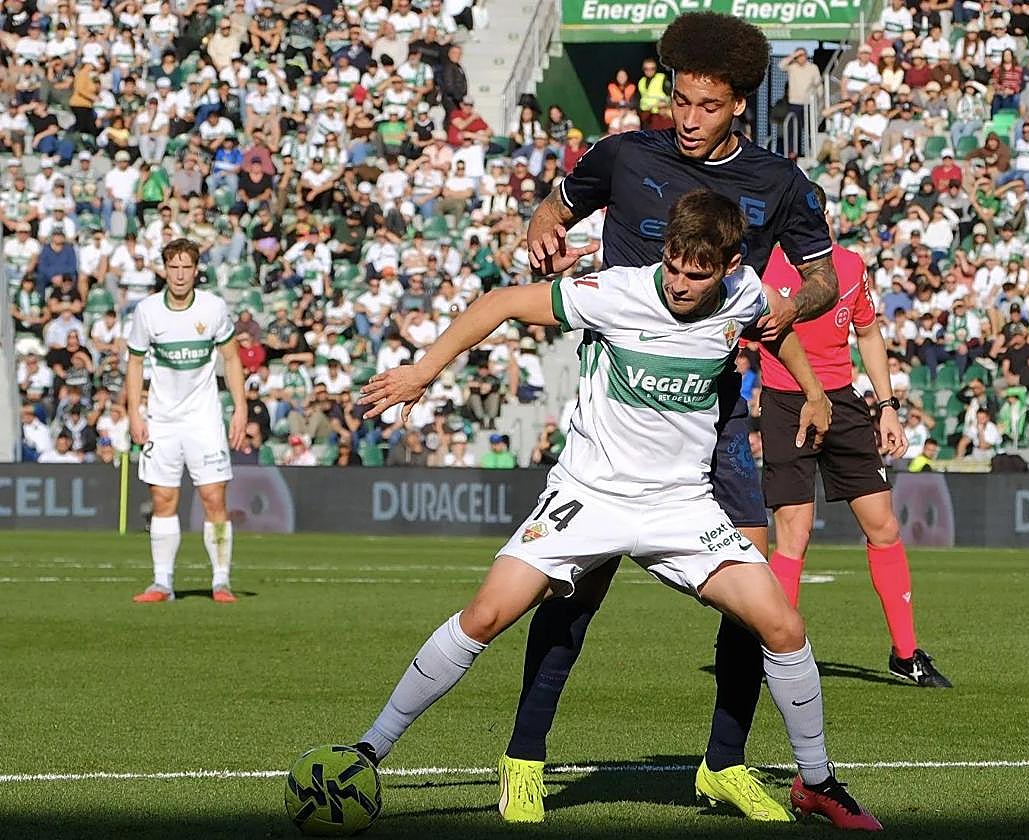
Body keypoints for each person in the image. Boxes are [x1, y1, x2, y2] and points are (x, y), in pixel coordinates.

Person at [354, 189, 874, 828]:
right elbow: (498, 304)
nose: (681, 284)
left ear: (731, 265)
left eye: (698, 273)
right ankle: (366, 751)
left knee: (784, 627)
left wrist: (816, 392)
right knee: (486, 615)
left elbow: (776, 327)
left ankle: (817, 782)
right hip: (588, 496)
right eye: (675, 266)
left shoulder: (743, 295)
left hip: (681, 506)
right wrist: (423, 371)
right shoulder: (613, 291)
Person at [496, 11, 844, 827]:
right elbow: (549, 214)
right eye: (678, 101)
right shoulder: (624, 153)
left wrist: (788, 306)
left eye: (706, 106)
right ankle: (523, 759)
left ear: (740, 106)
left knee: (751, 598)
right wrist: (544, 239)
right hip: (621, 408)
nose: (686, 120)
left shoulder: (779, 182)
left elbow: (824, 278)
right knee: (576, 594)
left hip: (717, 419)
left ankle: (724, 765)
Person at [758, 185, 951, 688]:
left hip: (843, 401)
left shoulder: (848, 265)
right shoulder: (765, 269)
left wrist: (887, 407)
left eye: (815, 213)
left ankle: (906, 653)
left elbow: (867, 333)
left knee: (883, 526)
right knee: (794, 535)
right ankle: (775, 655)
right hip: (786, 401)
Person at [126, 238, 247, 604]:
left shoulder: (212, 308)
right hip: (162, 419)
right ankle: (162, 583)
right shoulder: (147, 311)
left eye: (186, 267)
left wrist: (239, 407)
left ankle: (221, 581)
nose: (179, 274)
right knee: (163, 498)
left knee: (213, 497)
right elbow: (134, 362)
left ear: (196, 270)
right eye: (173, 267)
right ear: (164, 270)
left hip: (204, 418)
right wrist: (134, 412)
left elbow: (231, 357)